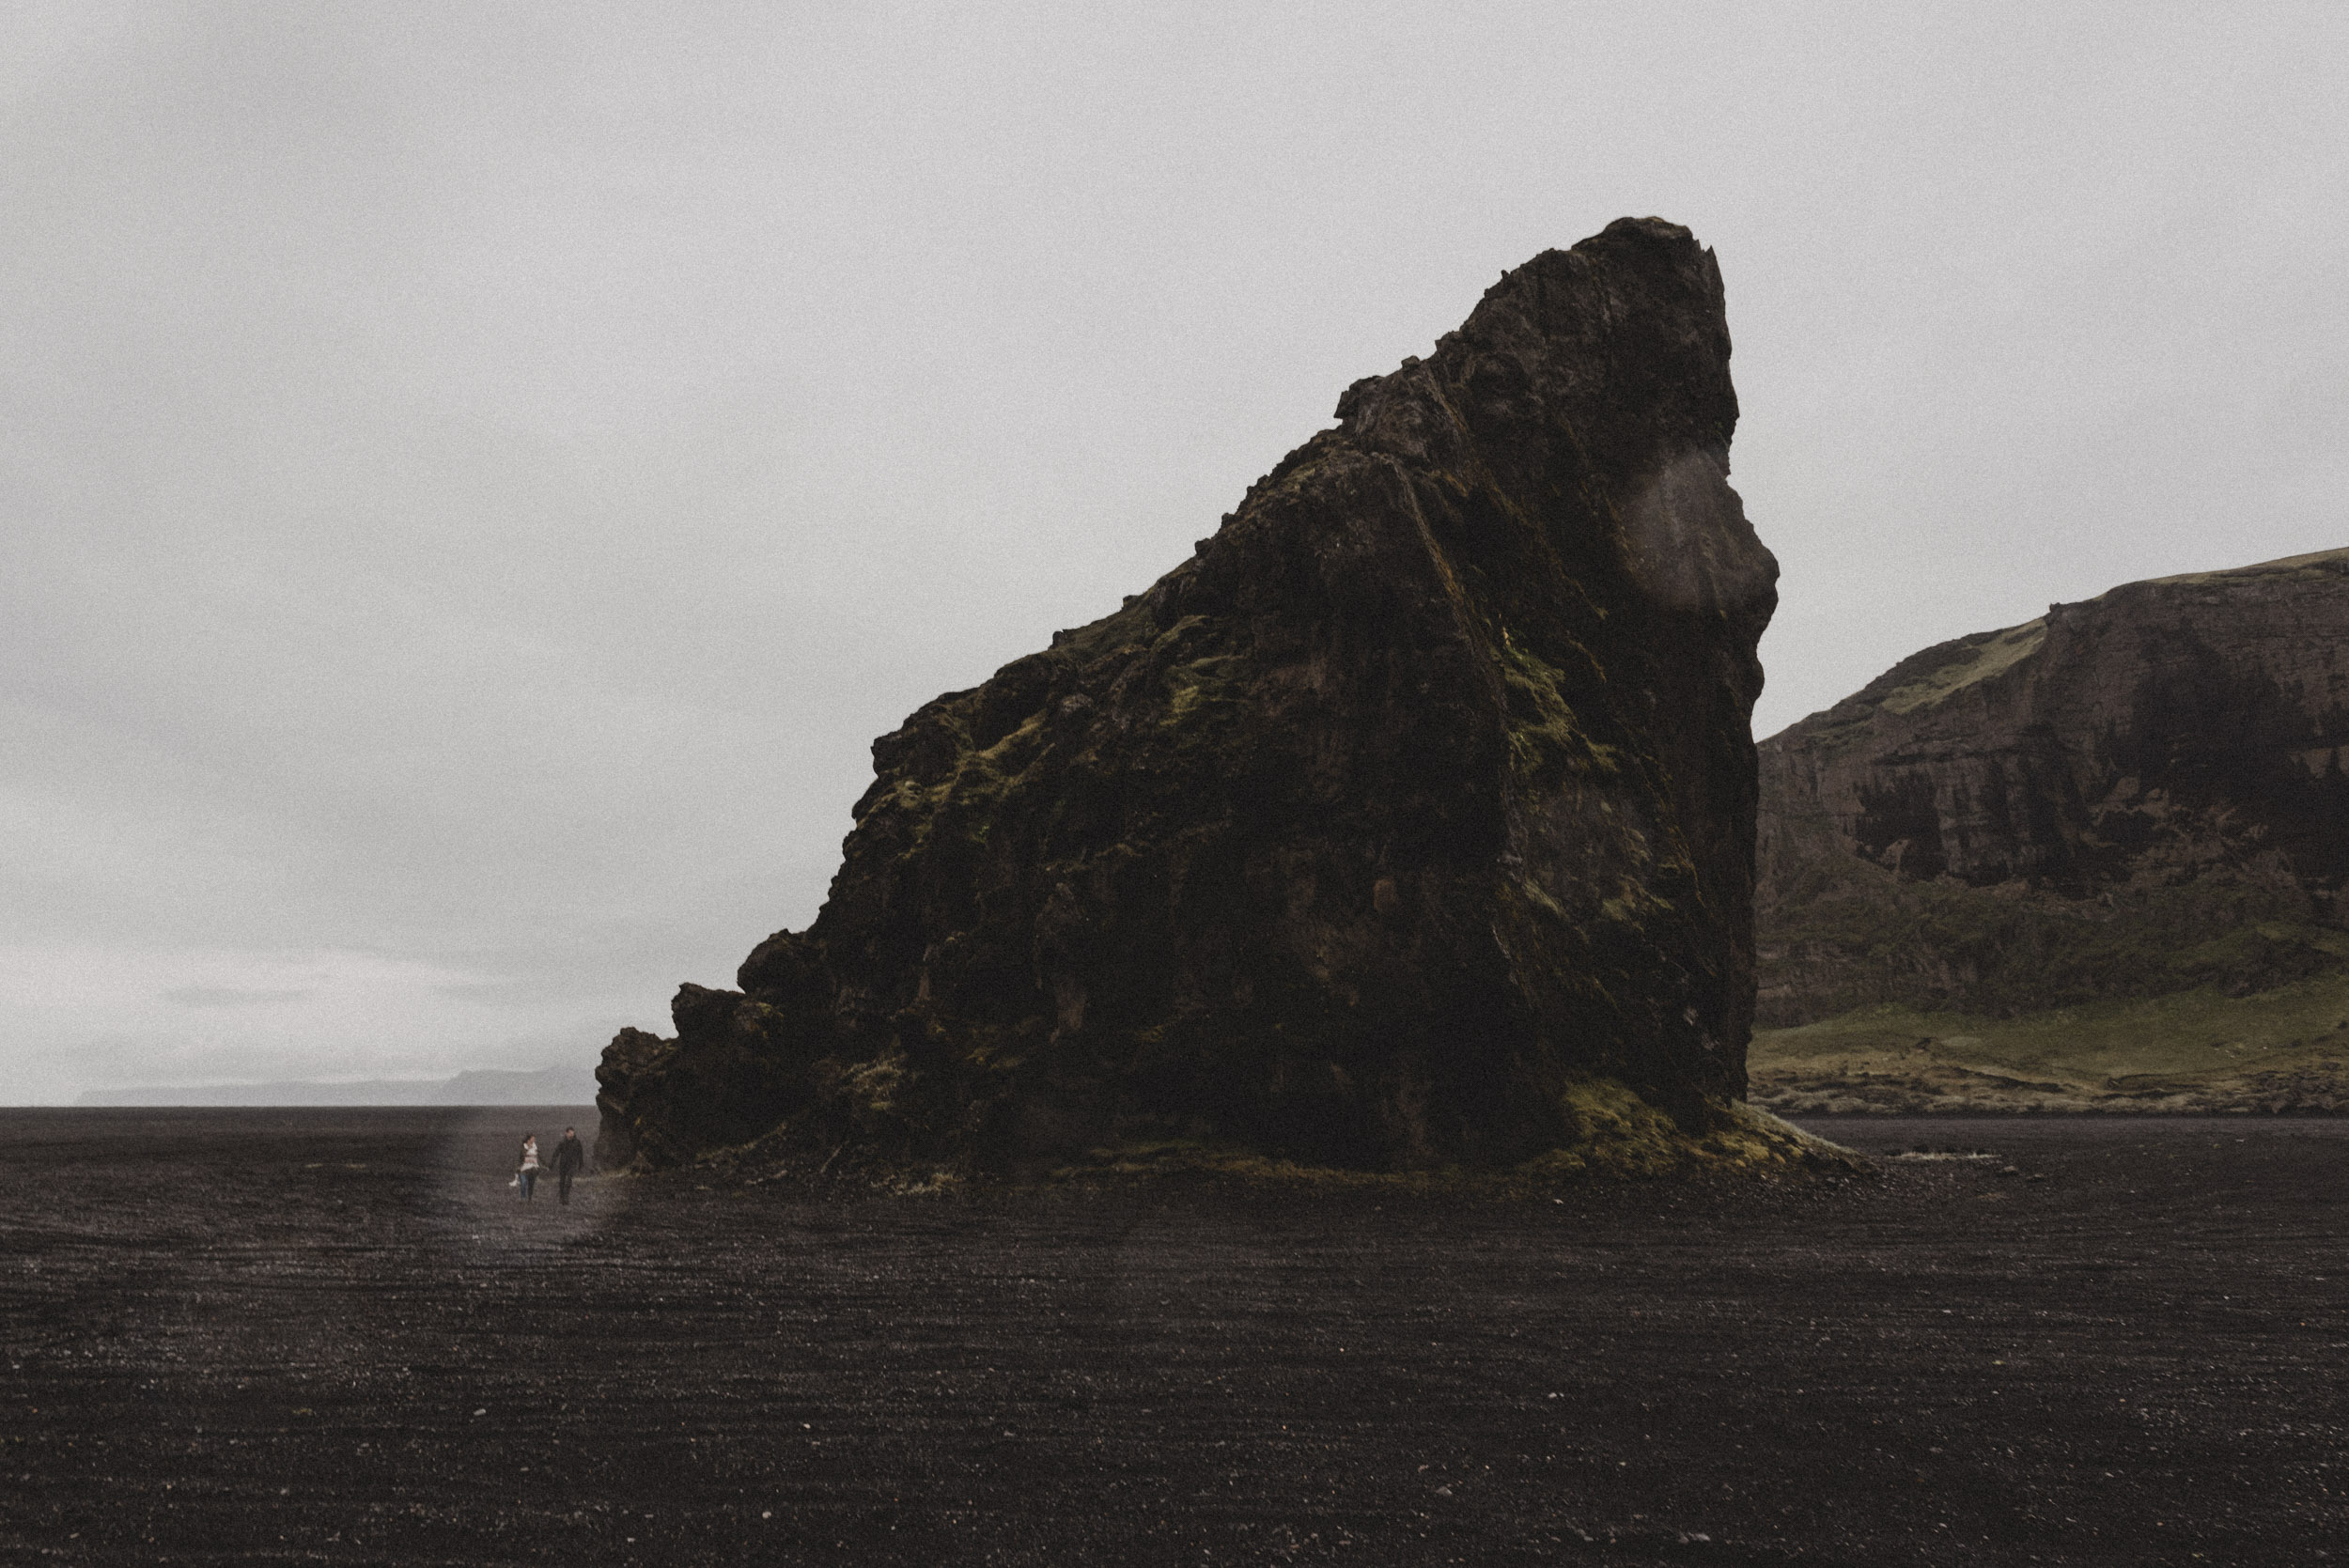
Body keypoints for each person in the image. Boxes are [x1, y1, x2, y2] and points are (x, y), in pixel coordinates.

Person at [552, 1126, 586, 1204]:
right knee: (562, 1181)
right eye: (570, 1133)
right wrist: (552, 1164)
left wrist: (581, 1164)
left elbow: (580, 1153)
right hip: (563, 1164)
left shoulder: (577, 1142)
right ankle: (561, 1196)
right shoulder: (562, 1142)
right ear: (566, 1133)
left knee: (569, 1180)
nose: (571, 1135)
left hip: (572, 1164)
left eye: (572, 1133)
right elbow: (556, 1153)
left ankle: (566, 1196)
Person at [516, 1133, 540, 1201]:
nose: (534, 1140)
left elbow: (539, 1157)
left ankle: (530, 1198)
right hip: (524, 1169)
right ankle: (522, 1197)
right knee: (523, 1183)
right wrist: (529, 1148)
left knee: (531, 1184)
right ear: (528, 1140)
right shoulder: (524, 1147)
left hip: (533, 1168)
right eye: (533, 1139)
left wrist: (547, 1165)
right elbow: (522, 1156)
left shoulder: (535, 1147)